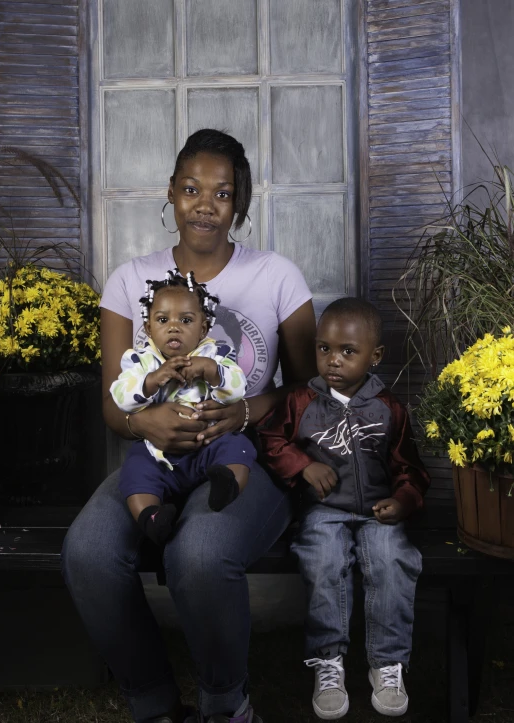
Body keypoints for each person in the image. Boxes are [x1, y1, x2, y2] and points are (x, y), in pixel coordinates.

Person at [61, 128, 317, 723]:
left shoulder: (277, 276)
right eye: (191, 188)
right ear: (171, 195)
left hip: (249, 455)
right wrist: (145, 423)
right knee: (88, 552)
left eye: (222, 192)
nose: (205, 203)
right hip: (157, 457)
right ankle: (152, 702)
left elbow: (310, 394)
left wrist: (248, 410)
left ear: (240, 204)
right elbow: (112, 404)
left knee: (197, 554)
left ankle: (226, 705)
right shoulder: (130, 281)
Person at [258, 297, 430, 720]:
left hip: (377, 512)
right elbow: (270, 442)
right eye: (324, 348)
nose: (333, 360)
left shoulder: (389, 408)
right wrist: (304, 466)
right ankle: (328, 662)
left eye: (347, 352)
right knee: (322, 559)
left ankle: (387, 664)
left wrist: (403, 500)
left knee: (392, 560)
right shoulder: (301, 401)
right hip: (323, 511)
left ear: (375, 356)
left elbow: (410, 467)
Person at [111, 268, 256, 545]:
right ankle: (152, 517)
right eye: (163, 319)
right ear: (148, 328)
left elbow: (238, 388)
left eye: (186, 320)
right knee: (135, 468)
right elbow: (120, 396)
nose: (173, 327)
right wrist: (152, 381)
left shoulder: (215, 354)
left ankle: (228, 484)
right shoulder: (140, 362)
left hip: (207, 445)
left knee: (239, 446)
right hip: (159, 453)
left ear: (203, 327)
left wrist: (212, 371)